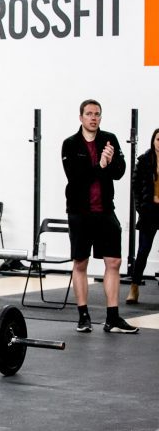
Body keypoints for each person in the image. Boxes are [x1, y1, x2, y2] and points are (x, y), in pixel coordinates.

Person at [61, 99, 137, 333]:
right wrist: (101, 164)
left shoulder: (109, 139)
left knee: (114, 261)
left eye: (97, 114)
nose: (93, 118)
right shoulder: (70, 144)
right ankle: (83, 316)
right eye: (89, 114)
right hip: (80, 213)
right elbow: (76, 177)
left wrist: (110, 162)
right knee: (80, 262)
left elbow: (120, 172)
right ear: (81, 117)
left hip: (105, 211)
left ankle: (112, 318)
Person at [126, 128, 159, 305]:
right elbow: (135, 187)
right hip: (149, 212)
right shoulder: (144, 161)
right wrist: (141, 208)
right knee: (143, 251)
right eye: (158, 139)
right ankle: (134, 286)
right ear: (153, 141)